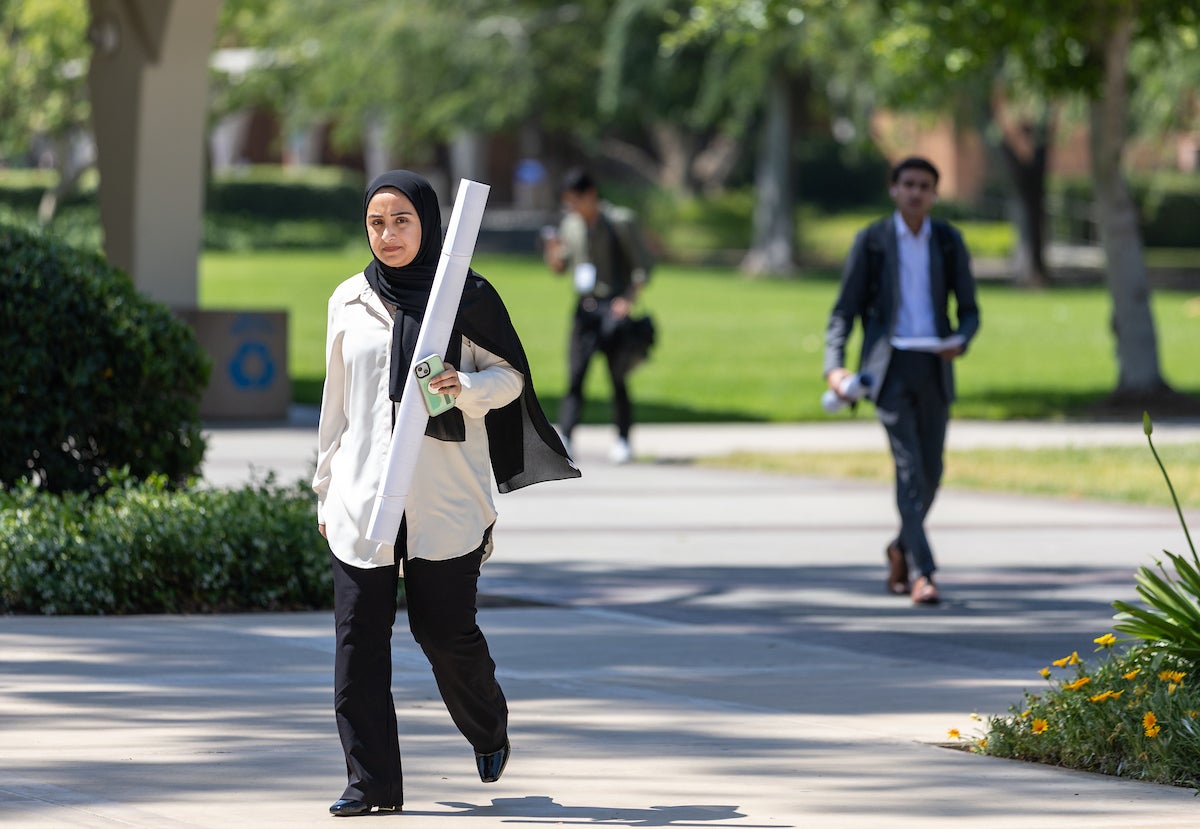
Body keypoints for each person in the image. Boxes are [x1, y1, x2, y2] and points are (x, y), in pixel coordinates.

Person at [313, 170, 579, 816]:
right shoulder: (348, 300)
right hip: (362, 498)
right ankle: (371, 782)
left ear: (427, 223)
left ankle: (488, 725)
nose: (388, 234)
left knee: (444, 633)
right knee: (357, 643)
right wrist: (324, 490)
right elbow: (335, 408)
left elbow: (511, 378)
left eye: (401, 220)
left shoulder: (465, 296)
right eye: (376, 223)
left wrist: (466, 387)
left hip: (446, 498)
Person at [823, 156, 980, 606]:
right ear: (894, 189)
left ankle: (899, 547)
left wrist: (961, 339)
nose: (915, 192)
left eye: (924, 186)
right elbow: (844, 310)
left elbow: (970, 310)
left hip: (934, 365)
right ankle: (922, 573)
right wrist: (835, 366)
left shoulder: (948, 241)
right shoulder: (872, 240)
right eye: (908, 184)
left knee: (932, 472)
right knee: (910, 468)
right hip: (887, 369)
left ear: (935, 194)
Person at [543, 167, 653, 464]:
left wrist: (627, 300)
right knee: (575, 375)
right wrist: (552, 251)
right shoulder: (570, 225)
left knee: (618, 378)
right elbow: (560, 268)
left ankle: (623, 440)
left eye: (575, 200)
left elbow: (642, 267)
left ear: (591, 195)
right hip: (585, 308)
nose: (571, 207)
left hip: (614, 308)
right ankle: (566, 438)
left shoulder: (620, 221)